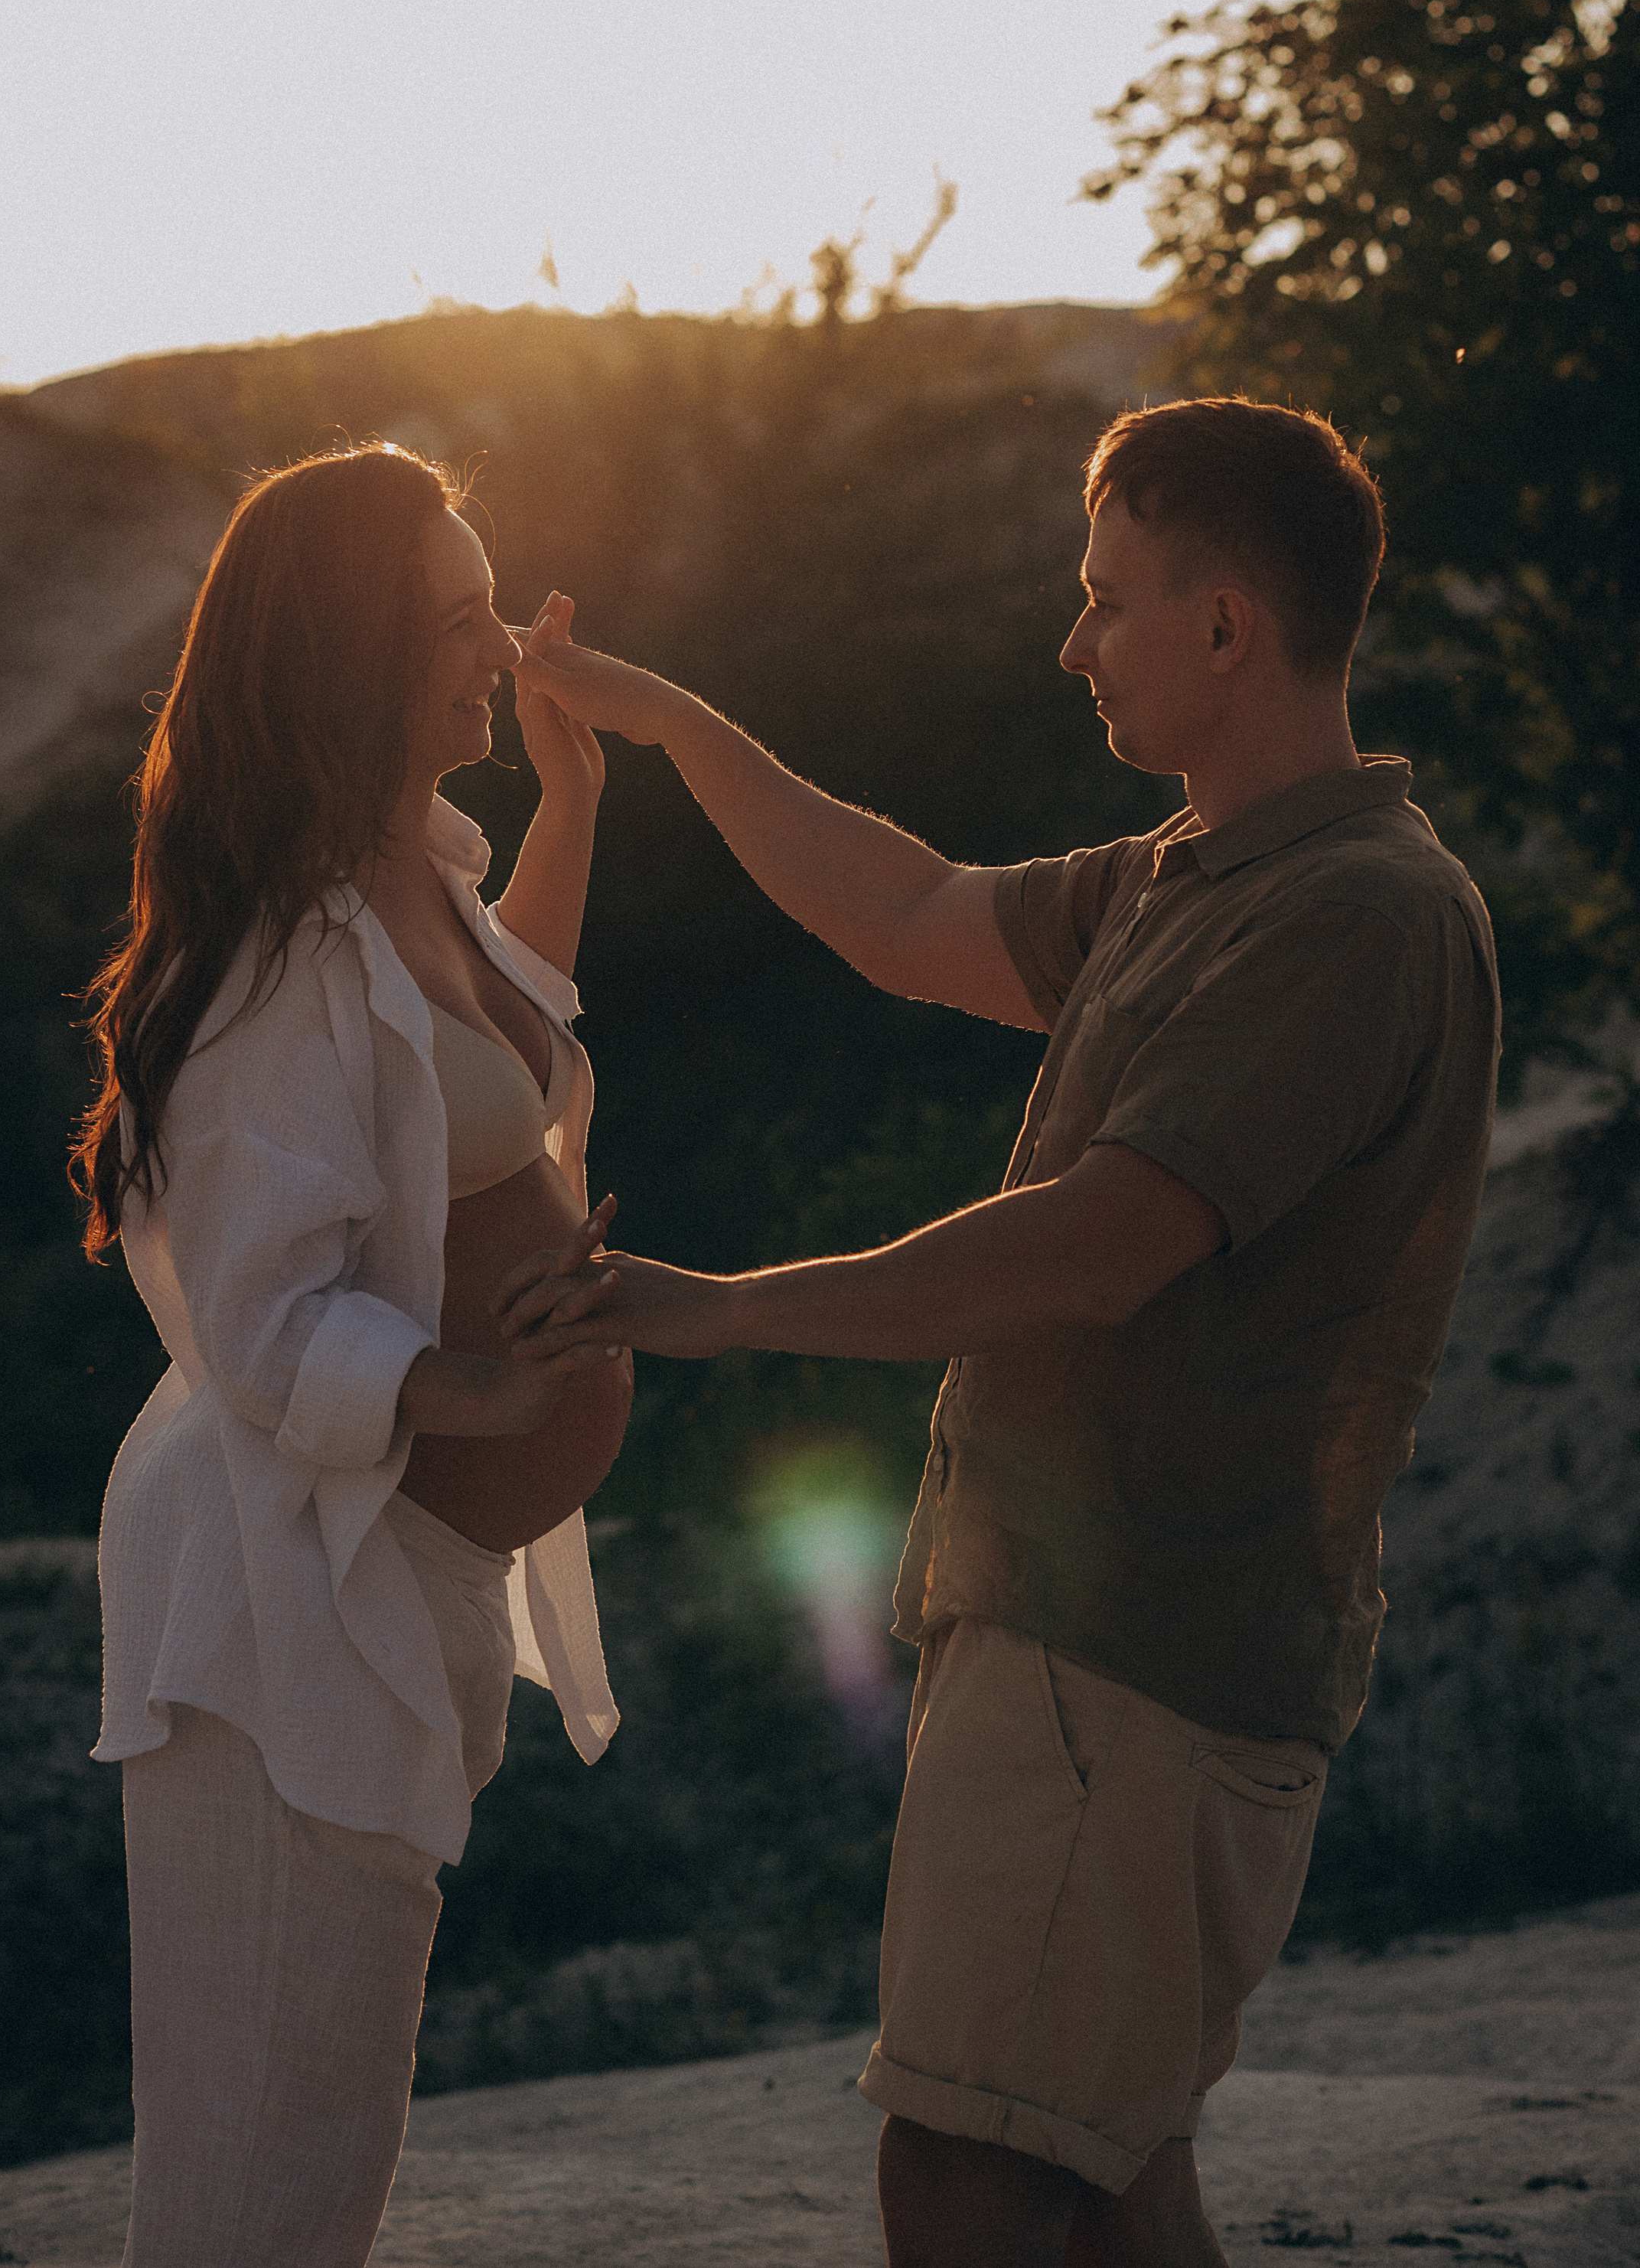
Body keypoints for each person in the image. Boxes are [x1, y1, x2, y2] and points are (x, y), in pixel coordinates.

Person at [505, 399, 1499, 2268]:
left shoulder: (1351, 914)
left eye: (1106, 601)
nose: (1071, 645)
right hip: (1097, 1649)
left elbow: (1096, 1245)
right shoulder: (1176, 880)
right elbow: (900, 908)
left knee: (966, 2185)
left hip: (1132, 1655)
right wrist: (670, 722)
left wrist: (722, 1309)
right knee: (1109, 2185)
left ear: (1225, 625)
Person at [72, 442, 631, 2268]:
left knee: (314, 2163)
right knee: (250, 2193)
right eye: (456, 617)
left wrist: (572, 806)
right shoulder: (274, 945)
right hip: (263, 1604)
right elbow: (248, 1296)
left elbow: (487, 1072)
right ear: (349, 658)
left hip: (397, 1583)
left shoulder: (427, 881)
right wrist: (457, 1387)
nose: (499, 640)